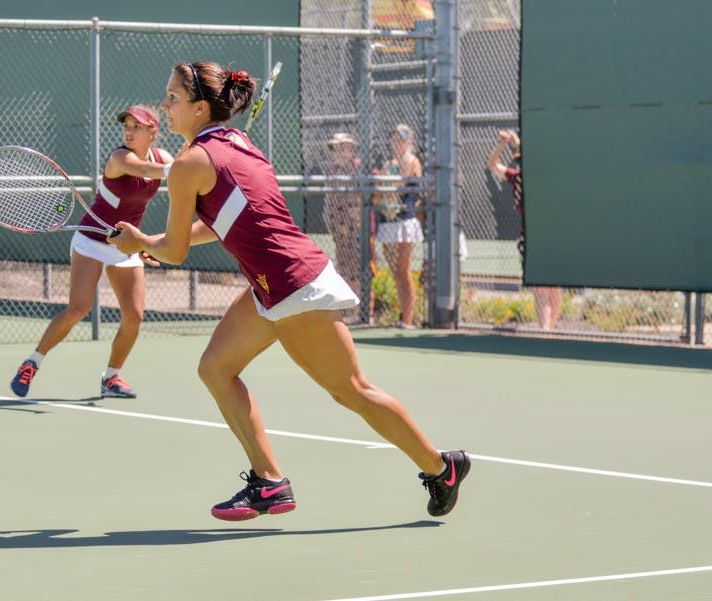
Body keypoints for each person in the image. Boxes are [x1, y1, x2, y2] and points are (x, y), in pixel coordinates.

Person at [109, 61, 470, 521]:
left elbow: (175, 249)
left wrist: (140, 242)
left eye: (173, 98)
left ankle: (442, 469)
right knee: (216, 368)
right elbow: (227, 220)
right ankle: (269, 482)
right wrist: (146, 243)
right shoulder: (238, 144)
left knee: (352, 391)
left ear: (200, 108)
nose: (165, 106)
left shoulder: (188, 164)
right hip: (270, 284)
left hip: (293, 285)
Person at [10, 105, 175, 398]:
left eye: (137, 126)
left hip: (125, 243)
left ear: (153, 132)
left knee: (134, 317)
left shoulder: (164, 158)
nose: (129, 130)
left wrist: (143, 243)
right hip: (92, 239)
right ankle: (32, 363)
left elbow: (176, 174)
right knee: (79, 308)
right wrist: (178, 167)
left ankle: (111, 378)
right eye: (126, 125)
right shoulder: (120, 158)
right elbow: (146, 171)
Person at [487, 129, 562, 330]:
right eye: (519, 161)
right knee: (542, 286)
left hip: (549, 236)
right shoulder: (518, 177)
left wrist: (516, 143)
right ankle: (546, 330)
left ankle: (548, 330)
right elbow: (492, 165)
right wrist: (504, 145)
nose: (520, 164)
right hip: (531, 238)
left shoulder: (542, 179)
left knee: (552, 286)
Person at [373, 124, 424, 329]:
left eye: (402, 139)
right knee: (395, 272)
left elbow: (397, 185)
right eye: (395, 139)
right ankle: (403, 315)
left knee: (403, 271)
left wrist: (387, 185)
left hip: (404, 221)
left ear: (409, 142)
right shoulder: (388, 163)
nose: (398, 143)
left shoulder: (412, 161)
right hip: (388, 221)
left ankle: (408, 319)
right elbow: (381, 191)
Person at [323, 132, 364, 318]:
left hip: (353, 227)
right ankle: (348, 307)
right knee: (343, 266)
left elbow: (358, 199)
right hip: (339, 228)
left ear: (350, 150)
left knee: (356, 268)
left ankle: (358, 309)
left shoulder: (354, 169)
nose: (339, 152)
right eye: (337, 148)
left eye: (343, 148)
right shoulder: (333, 170)